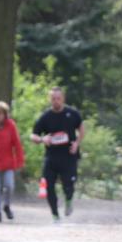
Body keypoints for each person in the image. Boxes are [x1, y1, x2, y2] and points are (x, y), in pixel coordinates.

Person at [30, 87, 85, 222]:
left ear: (63, 99)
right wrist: (43, 139)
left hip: (69, 156)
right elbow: (33, 135)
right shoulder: (46, 116)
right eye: (53, 99)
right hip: (51, 157)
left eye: (58, 98)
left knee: (68, 185)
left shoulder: (72, 113)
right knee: (49, 186)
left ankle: (68, 200)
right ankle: (55, 215)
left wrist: (77, 143)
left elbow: (81, 128)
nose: (56, 101)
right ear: (50, 99)